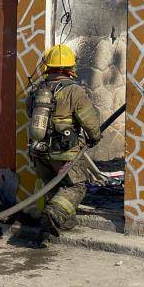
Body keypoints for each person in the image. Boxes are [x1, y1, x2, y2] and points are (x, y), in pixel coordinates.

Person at [27, 44, 102, 239]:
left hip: (38, 150)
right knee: (76, 186)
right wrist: (95, 137)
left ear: (48, 67)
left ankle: (63, 221)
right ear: (70, 68)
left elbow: (30, 113)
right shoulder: (74, 91)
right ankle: (55, 214)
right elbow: (89, 120)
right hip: (64, 152)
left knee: (52, 184)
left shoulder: (37, 90)